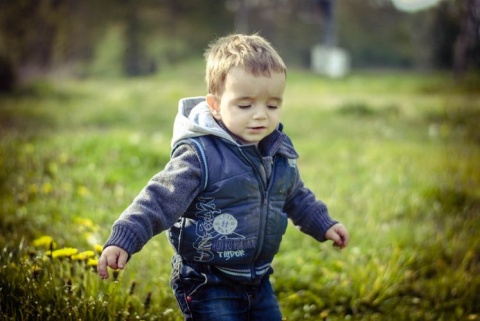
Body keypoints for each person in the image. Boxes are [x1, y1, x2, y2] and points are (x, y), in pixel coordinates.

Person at [97, 33, 349, 321]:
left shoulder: (277, 151)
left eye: (272, 105)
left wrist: (323, 223)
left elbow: (294, 193)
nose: (260, 116)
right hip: (208, 280)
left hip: (259, 278)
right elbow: (159, 199)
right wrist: (124, 238)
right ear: (215, 105)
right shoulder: (200, 155)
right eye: (245, 105)